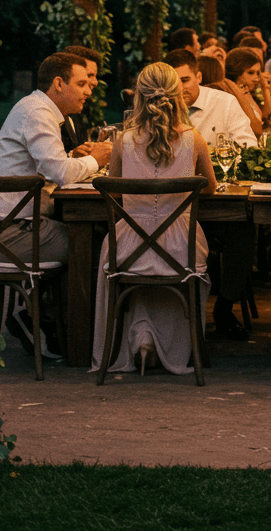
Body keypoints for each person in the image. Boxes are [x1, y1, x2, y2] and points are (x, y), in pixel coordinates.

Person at [0, 53, 114, 356]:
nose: (88, 90)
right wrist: (97, 159)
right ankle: (50, 326)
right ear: (58, 83)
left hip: (14, 225)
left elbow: (54, 167)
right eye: (81, 83)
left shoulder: (37, 109)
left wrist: (78, 159)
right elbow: (62, 174)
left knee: (93, 235)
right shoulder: (37, 113)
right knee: (97, 245)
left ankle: (54, 320)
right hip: (8, 234)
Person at [91, 61, 217, 375]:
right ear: (177, 96)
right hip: (180, 248)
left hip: (128, 247)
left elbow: (116, 192)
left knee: (130, 264)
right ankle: (171, 346)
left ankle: (141, 339)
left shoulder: (123, 141)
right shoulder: (195, 140)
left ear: (138, 97)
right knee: (186, 265)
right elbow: (211, 189)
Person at [165, 48, 256, 338]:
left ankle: (224, 308)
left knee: (243, 231)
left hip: (213, 200)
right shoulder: (158, 108)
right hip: (168, 208)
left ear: (200, 76)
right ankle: (167, 309)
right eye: (173, 82)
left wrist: (214, 163)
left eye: (186, 80)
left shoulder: (224, 103)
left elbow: (249, 149)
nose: (180, 89)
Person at [60, 43, 103, 155]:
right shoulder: (41, 114)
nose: (95, 82)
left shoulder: (74, 112)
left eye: (95, 76)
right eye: (89, 75)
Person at [222, 46, 271, 136]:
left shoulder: (246, 91)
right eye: (251, 73)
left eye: (258, 73)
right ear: (237, 71)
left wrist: (266, 89)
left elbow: (268, 117)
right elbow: (258, 130)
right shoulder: (229, 96)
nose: (256, 78)